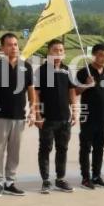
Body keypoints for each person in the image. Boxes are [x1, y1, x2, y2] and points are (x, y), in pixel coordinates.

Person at [0, 33, 36, 197]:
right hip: (0, 115)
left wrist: (33, 111)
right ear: (2, 48)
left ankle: (10, 182)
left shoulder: (26, 67)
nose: (13, 47)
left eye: (15, 44)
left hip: (19, 116)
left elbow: (31, 92)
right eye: (9, 44)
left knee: (15, 151)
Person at [35, 39, 77, 194]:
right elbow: (35, 94)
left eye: (61, 50)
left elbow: (72, 92)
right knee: (45, 148)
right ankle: (46, 180)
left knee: (62, 148)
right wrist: (37, 114)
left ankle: (60, 179)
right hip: (47, 118)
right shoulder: (41, 71)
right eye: (55, 50)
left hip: (65, 118)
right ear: (49, 52)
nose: (58, 53)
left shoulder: (67, 70)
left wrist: (75, 111)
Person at [75, 43, 104, 189]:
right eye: (100, 55)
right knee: (85, 147)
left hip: (103, 117)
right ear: (94, 55)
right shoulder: (83, 72)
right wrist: (86, 85)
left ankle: (96, 176)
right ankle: (85, 178)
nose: (103, 58)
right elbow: (75, 92)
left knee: (99, 148)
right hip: (88, 115)